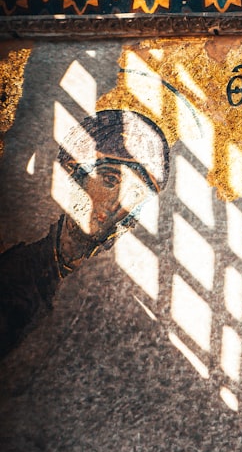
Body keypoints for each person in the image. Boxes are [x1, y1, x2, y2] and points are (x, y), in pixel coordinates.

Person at [0, 110, 170, 359]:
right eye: (110, 180)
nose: (114, 205)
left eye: (134, 195)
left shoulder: (105, 305)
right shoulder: (17, 272)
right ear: (76, 174)